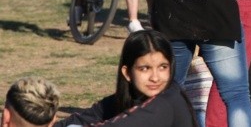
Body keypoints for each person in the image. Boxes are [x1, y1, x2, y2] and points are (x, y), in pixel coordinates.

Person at [54, 30, 196, 127]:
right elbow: (86, 117)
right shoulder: (132, 95)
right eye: (145, 68)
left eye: (163, 67)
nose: (155, 77)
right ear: (127, 73)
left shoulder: (165, 102)